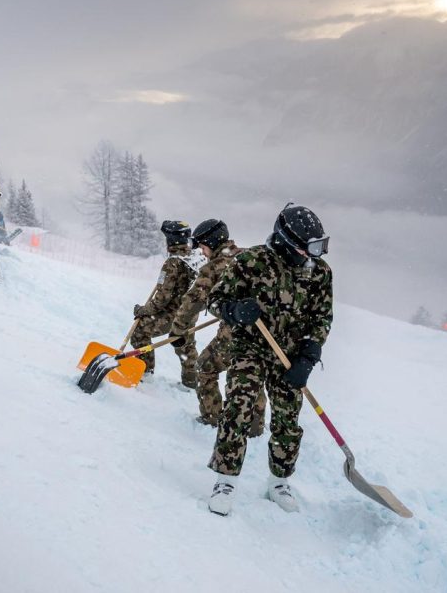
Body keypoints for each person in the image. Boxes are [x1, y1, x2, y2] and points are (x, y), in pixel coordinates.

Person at [204, 204, 333, 516]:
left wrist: (309, 355)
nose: (311, 256)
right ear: (286, 241)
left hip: (290, 355)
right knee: (238, 409)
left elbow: (322, 317)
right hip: (249, 348)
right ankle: (225, 480)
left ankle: (279, 482)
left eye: (317, 248)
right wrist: (235, 311)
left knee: (288, 419)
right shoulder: (251, 261)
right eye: (307, 249)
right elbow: (215, 300)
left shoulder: (319, 272)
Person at [169, 219, 266, 434]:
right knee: (252, 373)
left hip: (235, 334)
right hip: (265, 333)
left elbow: (192, 301)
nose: (203, 253)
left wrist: (177, 330)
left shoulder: (214, 267)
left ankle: (212, 417)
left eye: (203, 247)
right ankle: (255, 427)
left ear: (212, 243)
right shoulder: (248, 256)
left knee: (204, 367)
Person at [129, 221, 199, 383]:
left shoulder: (172, 263)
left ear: (170, 240)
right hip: (190, 312)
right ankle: (191, 382)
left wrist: (142, 310)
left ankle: (145, 373)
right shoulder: (194, 258)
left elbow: (161, 299)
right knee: (186, 345)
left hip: (173, 315)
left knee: (140, 334)